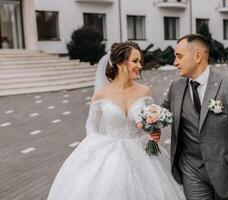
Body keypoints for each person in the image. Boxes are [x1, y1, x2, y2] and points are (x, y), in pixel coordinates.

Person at [47, 41, 186, 200]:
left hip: (142, 153)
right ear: (119, 63)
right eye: (135, 61)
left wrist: (154, 130)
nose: (139, 65)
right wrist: (93, 144)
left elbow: (150, 120)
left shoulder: (144, 91)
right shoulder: (101, 94)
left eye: (140, 61)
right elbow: (91, 124)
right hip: (110, 153)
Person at [162, 34, 228, 200]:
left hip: (225, 170)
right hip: (191, 169)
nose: (175, 62)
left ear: (197, 56)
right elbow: (160, 114)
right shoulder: (176, 87)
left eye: (179, 57)